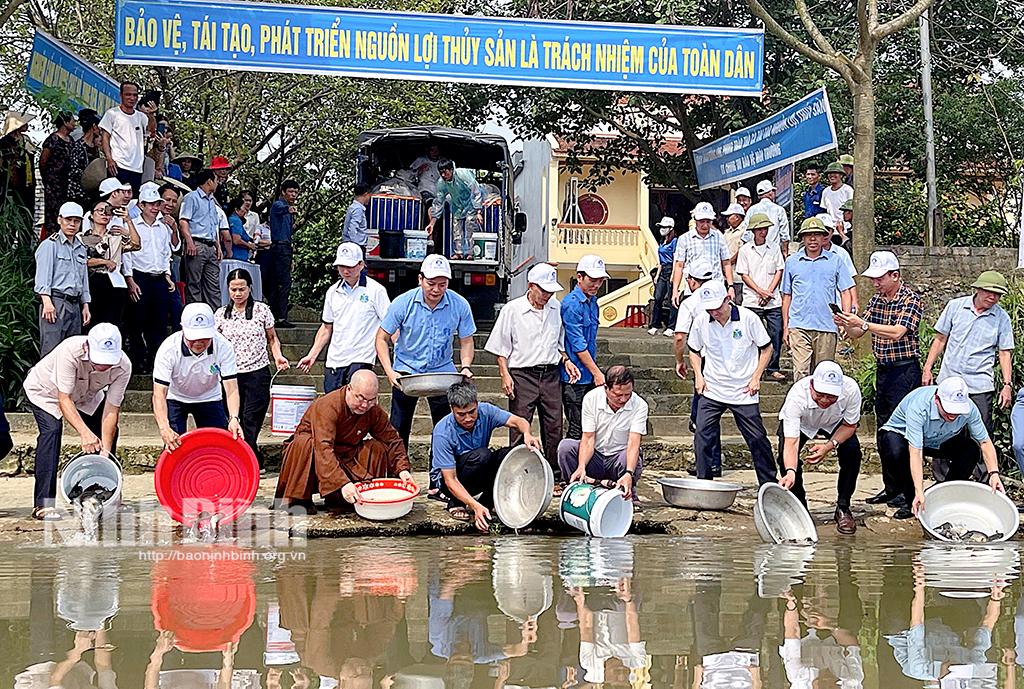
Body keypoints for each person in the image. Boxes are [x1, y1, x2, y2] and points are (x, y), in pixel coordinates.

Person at [834, 250, 924, 509]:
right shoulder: (877, 300)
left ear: (895, 275)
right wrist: (845, 323)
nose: (875, 283)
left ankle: (909, 493)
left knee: (902, 434)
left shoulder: (910, 299)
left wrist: (863, 325)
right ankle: (891, 486)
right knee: (883, 431)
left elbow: (897, 332)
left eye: (879, 278)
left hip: (905, 371)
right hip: (883, 369)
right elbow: (858, 332)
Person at [22, 323, 130, 520]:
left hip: (85, 396)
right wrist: (85, 433)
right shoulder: (70, 350)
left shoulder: (123, 366)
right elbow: (64, 399)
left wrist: (105, 452)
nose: (104, 366)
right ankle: (43, 504)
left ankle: (106, 495)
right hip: (45, 392)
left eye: (108, 362)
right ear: (88, 347)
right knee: (52, 432)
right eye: (99, 360)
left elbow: (111, 410)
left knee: (110, 433)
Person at [485, 263, 580, 479]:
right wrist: (504, 374)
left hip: (550, 373)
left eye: (550, 291)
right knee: (519, 425)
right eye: (543, 290)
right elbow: (501, 347)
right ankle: (519, 472)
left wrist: (566, 360)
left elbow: (559, 342)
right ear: (531, 286)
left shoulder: (556, 308)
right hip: (522, 374)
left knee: (554, 425)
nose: (547, 295)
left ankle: (554, 473)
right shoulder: (513, 309)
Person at [274, 369, 412, 513]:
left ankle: (348, 499)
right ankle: (299, 500)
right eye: (360, 398)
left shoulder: (373, 410)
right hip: (315, 454)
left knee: (375, 447)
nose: (365, 405)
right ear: (349, 389)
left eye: (371, 400)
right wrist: (342, 483)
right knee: (305, 443)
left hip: (347, 453)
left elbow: (392, 440)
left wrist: (402, 470)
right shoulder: (328, 406)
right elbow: (324, 447)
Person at [376, 254, 476, 449]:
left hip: (442, 371)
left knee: (444, 429)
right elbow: (381, 338)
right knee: (398, 427)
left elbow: (467, 341)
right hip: (406, 370)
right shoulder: (402, 303)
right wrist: (389, 371)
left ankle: (439, 476)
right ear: (420, 279)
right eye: (431, 283)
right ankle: (399, 474)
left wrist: (465, 366)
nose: (436, 289)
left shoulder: (460, 304)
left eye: (442, 284)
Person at [879, 377, 1004, 520]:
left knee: (970, 450)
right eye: (948, 410)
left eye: (957, 411)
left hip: (939, 439)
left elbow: (985, 443)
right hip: (904, 437)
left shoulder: (970, 409)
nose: (952, 415)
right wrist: (919, 490)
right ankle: (910, 500)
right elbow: (915, 451)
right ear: (937, 400)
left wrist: (994, 474)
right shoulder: (919, 406)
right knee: (895, 450)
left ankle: (946, 494)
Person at [688, 281, 775, 484]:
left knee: (757, 438)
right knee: (702, 434)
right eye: (709, 309)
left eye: (717, 307)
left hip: (743, 389)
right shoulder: (702, 320)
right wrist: (699, 376)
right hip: (713, 387)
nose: (714, 312)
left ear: (728, 299)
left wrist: (756, 377)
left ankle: (769, 483)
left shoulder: (748, 319)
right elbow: (694, 349)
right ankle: (704, 481)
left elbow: (767, 348)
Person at [433, 381, 541, 530]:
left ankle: (487, 503)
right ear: (452, 409)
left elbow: (518, 421)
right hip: (452, 480)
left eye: (472, 412)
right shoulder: (442, 432)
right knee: (482, 455)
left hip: (479, 470)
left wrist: (527, 434)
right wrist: (473, 505)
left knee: (508, 454)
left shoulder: (486, 411)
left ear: (477, 404)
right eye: (461, 415)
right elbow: (450, 480)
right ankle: (457, 502)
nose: (468, 418)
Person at [923, 271, 1014, 436]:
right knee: (942, 431)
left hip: (979, 384)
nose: (993, 297)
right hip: (949, 380)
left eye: (997, 294)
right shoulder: (955, 307)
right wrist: (928, 368)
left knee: (980, 433)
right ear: (978, 289)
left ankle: (982, 462)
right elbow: (940, 339)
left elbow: (1004, 352)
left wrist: (1007, 385)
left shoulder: (1002, 318)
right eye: (989, 291)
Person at [777, 361, 862, 534]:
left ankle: (843, 507)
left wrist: (829, 446)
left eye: (831, 396)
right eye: (820, 394)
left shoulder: (851, 389)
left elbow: (850, 426)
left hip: (835, 422)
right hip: (803, 422)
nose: (824, 400)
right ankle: (800, 507)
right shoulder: (797, 396)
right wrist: (791, 471)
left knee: (852, 452)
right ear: (811, 385)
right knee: (783, 458)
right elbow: (791, 442)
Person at [216, 268, 289, 469]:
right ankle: (248, 459)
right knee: (233, 419)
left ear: (250, 288)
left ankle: (247, 459)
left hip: (257, 372)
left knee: (251, 420)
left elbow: (272, 338)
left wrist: (278, 357)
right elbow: (213, 346)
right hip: (230, 376)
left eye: (242, 289)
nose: (238, 294)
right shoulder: (221, 315)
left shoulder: (261, 310)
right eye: (233, 290)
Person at [300, 243, 390, 392]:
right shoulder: (332, 292)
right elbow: (326, 327)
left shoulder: (376, 291)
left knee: (358, 405)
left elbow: (389, 325)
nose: (346, 271)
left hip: (361, 358)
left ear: (361, 265)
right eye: (342, 266)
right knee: (334, 407)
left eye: (350, 266)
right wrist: (312, 354)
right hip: (335, 360)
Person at [152, 302, 242, 449]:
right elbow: (159, 393)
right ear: (183, 329)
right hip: (176, 397)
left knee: (217, 443)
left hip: (210, 396)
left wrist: (234, 418)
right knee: (174, 444)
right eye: (193, 338)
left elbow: (231, 387)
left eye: (205, 338)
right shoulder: (168, 349)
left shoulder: (224, 346)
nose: (199, 342)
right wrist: (164, 427)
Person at [557, 365, 648, 507]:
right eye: (618, 395)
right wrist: (581, 466)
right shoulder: (591, 398)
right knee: (566, 447)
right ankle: (576, 488)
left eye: (627, 394)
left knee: (633, 458)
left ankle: (627, 489)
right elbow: (588, 438)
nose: (623, 399)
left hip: (618, 459)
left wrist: (629, 473)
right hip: (596, 457)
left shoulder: (640, 405)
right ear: (606, 388)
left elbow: (633, 443)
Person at [781, 217, 855, 380]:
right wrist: (786, 327)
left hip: (826, 325)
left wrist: (844, 319)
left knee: (824, 373)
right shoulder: (792, 262)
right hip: (799, 324)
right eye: (808, 235)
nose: (813, 239)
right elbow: (787, 296)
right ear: (802, 238)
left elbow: (845, 291)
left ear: (824, 237)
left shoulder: (835, 260)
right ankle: (802, 405)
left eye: (817, 234)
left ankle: (820, 406)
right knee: (801, 372)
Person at [124, 184, 179, 373]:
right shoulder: (132, 225)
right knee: (137, 320)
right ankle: (139, 360)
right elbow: (127, 255)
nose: (155, 208)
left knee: (160, 321)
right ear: (141, 205)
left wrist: (168, 276)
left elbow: (166, 254)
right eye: (151, 204)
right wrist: (130, 280)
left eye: (157, 204)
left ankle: (156, 362)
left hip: (159, 278)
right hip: (140, 276)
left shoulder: (162, 228)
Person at [35, 202, 91, 357]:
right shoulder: (50, 245)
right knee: (51, 351)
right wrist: (47, 302)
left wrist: (85, 305)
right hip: (56, 301)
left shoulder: (81, 248)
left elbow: (83, 278)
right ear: (60, 219)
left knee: (74, 352)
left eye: (76, 221)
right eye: (68, 220)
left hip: (75, 303)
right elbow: (43, 276)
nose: (72, 224)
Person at [561, 254, 608, 439]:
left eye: (600, 281)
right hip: (575, 376)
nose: (596, 285)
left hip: (588, 373)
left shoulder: (593, 302)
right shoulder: (572, 304)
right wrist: (597, 373)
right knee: (577, 427)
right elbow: (578, 343)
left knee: (591, 425)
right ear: (579, 277)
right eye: (592, 280)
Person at [735, 213, 786, 381]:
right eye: (759, 229)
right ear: (753, 231)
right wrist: (760, 291)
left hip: (773, 299)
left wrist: (769, 291)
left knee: (776, 333)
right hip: (752, 299)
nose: (763, 232)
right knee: (751, 335)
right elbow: (744, 274)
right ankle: (753, 366)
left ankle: (772, 367)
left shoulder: (774, 248)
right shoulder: (745, 250)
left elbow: (779, 270)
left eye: (765, 229)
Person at [80, 197, 140, 331]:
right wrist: (104, 261)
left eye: (107, 211)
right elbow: (81, 261)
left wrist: (128, 221)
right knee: (91, 322)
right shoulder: (82, 238)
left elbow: (136, 245)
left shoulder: (115, 237)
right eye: (100, 211)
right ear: (91, 215)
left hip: (114, 283)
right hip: (92, 281)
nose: (104, 214)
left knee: (113, 323)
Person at [671, 202, 733, 306]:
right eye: (701, 221)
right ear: (695, 220)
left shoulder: (719, 237)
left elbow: (726, 263)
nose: (705, 225)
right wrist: (675, 290)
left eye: (708, 221)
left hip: (716, 288)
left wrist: (730, 286)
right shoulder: (684, 239)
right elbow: (679, 265)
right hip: (693, 289)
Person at [178, 169, 222, 309]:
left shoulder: (211, 201)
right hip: (197, 243)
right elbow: (183, 221)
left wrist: (218, 246)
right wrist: (190, 243)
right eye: (216, 180)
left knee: (213, 284)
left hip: (210, 245)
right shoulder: (191, 197)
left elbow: (213, 225)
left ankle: (216, 317)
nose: (217, 183)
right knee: (194, 283)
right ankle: (196, 316)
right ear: (209, 181)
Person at [99, 81, 154, 192]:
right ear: (121, 95)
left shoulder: (141, 116)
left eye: (135, 95)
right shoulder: (112, 114)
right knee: (116, 197)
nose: (132, 98)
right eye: (128, 94)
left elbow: (151, 130)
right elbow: (105, 137)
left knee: (132, 200)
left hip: (137, 167)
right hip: (118, 165)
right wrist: (109, 159)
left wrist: (152, 115)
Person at [426, 159, 483, 260]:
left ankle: (470, 252)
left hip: (470, 203)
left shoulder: (463, 174)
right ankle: (459, 252)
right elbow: (438, 202)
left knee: (470, 226)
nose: (443, 175)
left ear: (451, 170)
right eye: (441, 173)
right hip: (457, 206)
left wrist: (478, 211)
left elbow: (476, 191)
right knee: (456, 228)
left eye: (445, 172)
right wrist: (432, 223)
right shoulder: (441, 183)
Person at [267, 180, 299, 327]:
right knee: (282, 282)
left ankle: (279, 314)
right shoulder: (279, 205)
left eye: (295, 192)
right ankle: (280, 316)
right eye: (291, 192)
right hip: (279, 247)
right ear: (283, 192)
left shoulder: (286, 208)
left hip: (285, 247)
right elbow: (281, 209)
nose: (293, 195)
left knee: (280, 282)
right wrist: (290, 210)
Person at [40, 111, 77, 236]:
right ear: (65, 122)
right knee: (52, 213)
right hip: (53, 183)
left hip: (66, 183)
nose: (75, 124)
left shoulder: (71, 140)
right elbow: (43, 161)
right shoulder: (53, 139)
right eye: (72, 121)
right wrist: (48, 179)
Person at [0, 110, 36, 215]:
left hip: (27, 183)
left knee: (27, 212)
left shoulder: (26, 140)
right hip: (11, 185)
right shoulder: (5, 143)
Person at [648, 216, 679, 336]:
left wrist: (673, 275)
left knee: (672, 299)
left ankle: (672, 326)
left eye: (665, 227)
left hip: (671, 268)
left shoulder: (675, 241)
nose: (662, 229)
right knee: (658, 297)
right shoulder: (662, 241)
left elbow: (676, 258)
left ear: (671, 228)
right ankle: (655, 324)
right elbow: (660, 260)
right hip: (663, 269)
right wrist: (658, 275)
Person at [65, 108, 102, 205]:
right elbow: (73, 170)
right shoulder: (78, 146)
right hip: (77, 194)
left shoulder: (95, 148)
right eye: (99, 127)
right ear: (94, 126)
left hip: (92, 193)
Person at [744, 180, 791, 256]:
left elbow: (746, 234)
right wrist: (785, 252)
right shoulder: (779, 210)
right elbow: (784, 235)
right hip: (773, 252)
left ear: (759, 196)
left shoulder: (751, 210)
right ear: (770, 193)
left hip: (754, 252)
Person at [720, 202, 747, 303]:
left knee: (737, 303)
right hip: (726, 275)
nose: (727, 219)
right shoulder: (727, 232)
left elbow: (742, 250)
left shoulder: (745, 231)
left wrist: (728, 262)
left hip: (737, 275)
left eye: (729, 216)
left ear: (737, 217)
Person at [820, 162, 853, 235]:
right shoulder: (825, 191)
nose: (832, 175)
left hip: (845, 229)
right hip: (830, 229)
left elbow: (851, 210)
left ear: (841, 175)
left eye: (835, 173)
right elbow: (825, 210)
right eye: (830, 173)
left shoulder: (847, 190)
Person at [342, 182, 371, 256]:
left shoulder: (353, 207)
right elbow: (352, 229)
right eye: (369, 195)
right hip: (356, 247)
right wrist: (355, 247)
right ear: (365, 194)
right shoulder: (358, 209)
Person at [226, 196, 257, 261]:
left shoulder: (231, 219)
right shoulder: (236, 220)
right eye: (244, 208)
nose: (245, 211)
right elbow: (236, 240)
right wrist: (250, 246)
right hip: (237, 256)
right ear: (237, 209)